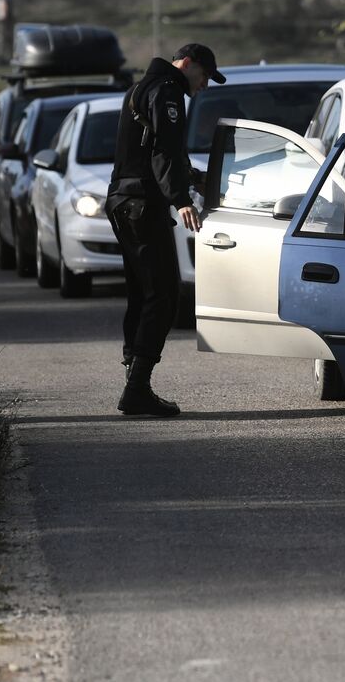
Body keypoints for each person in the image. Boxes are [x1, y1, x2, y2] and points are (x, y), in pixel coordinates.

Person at [106, 43, 225, 416]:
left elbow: (155, 149)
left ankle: (134, 379)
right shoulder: (168, 91)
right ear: (186, 64)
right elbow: (163, 152)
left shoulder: (141, 87)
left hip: (123, 202)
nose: (204, 85)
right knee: (164, 296)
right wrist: (181, 199)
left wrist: (192, 177)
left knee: (142, 294)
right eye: (204, 76)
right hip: (143, 205)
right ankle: (137, 389)